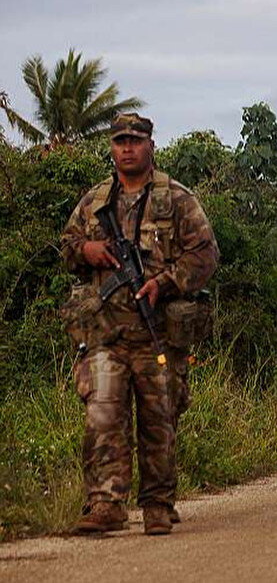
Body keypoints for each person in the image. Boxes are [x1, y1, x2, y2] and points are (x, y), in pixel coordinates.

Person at [61, 114, 219, 535]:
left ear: (151, 146)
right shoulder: (95, 202)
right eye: (120, 141)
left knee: (159, 419)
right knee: (103, 416)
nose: (127, 148)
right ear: (111, 148)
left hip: (157, 332)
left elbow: (204, 255)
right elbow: (68, 246)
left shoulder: (178, 200)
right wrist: (89, 249)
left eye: (135, 140)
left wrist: (163, 283)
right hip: (105, 333)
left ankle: (157, 505)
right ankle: (105, 504)